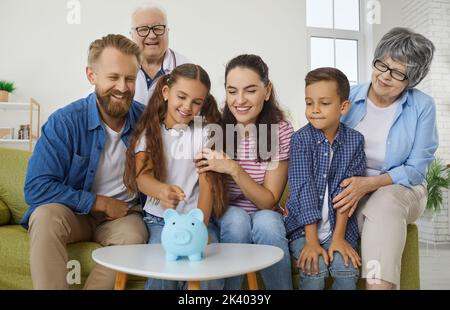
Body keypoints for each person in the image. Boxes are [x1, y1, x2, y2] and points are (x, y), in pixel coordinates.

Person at [22, 34, 148, 289]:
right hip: (74, 214)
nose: (123, 87)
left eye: (130, 78)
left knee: (134, 235)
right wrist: (98, 202)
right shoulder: (64, 122)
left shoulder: (146, 121)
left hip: (123, 217)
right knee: (44, 217)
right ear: (91, 75)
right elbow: (35, 188)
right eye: (113, 77)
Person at [336, 27, 438, 290]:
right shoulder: (347, 98)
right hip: (354, 190)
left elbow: (415, 170)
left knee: (384, 202)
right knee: (375, 217)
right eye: (382, 64)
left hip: (404, 189)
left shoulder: (422, 106)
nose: (384, 76)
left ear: (411, 80)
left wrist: (368, 185)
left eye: (398, 73)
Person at [124, 63, 226, 290]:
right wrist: (161, 190)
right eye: (182, 97)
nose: (187, 107)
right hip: (159, 221)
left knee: (209, 274)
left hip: (198, 220)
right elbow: (142, 177)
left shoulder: (204, 133)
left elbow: (207, 185)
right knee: (162, 274)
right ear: (166, 93)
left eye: (196, 102)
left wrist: (200, 226)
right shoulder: (149, 132)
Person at [195, 54, 293, 290]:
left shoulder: (280, 131)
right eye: (232, 91)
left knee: (268, 222)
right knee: (237, 220)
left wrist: (233, 168)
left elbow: (269, 201)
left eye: (250, 90)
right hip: (228, 214)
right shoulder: (216, 127)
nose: (240, 100)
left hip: (264, 210)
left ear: (266, 91)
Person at [285, 68, 365, 290]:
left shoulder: (355, 141)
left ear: (343, 107)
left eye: (324, 103)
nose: (314, 110)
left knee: (347, 271)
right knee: (314, 271)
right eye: (309, 103)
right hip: (303, 229)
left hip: (337, 228)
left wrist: (338, 237)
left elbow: (347, 193)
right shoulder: (300, 140)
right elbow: (303, 190)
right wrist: (311, 241)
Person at [130, 4, 190, 105]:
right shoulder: (120, 67)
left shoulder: (186, 68)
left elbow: (200, 114)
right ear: (131, 35)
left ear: (167, 32)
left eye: (158, 28)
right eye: (143, 29)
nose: (152, 35)